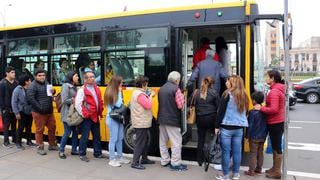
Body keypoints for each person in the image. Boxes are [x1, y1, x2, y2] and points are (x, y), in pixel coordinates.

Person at [215, 75, 249, 180]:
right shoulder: (244, 95)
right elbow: (246, 111)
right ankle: (235, 174)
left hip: (226, 127)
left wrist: (216, 126)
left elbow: (220, 112)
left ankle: (225, 175)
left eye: (227, 81)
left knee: (225, 151)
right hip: (239, 128)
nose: (226, 82)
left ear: (232, 83)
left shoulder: (227, 94)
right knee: (237, 151)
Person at [254, 70, 285, 179]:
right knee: (275, 146)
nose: (265, 78)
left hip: (275, 122)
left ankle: (277, 172)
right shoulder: (276, 89)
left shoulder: (274, 91)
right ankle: (274, 168)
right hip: (277, 121)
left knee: (276, 146)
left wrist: (261, 108)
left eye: (267, 77)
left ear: (272, 79)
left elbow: (274, 109)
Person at [157, 71, 187, 171]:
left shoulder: (161, 88)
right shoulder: (176, 89)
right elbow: (180, 106)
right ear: (176, 80)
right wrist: (183, 98)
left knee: (163, 141)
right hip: (172, 119)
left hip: (161, 119)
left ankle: (165, 160)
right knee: (176, 142)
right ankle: (175, 163)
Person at [75, 71, 106, 162]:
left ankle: (97, 153)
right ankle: (82, 154)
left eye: (93, 76)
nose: (92, 78)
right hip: (87, 117)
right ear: (85, 79)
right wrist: (84, 114)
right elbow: (78, 104)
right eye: (90, 77)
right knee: (85, 136)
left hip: (96, 115)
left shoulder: (97, 88)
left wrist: (101, 108)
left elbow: (99, 100)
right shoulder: (82, 90)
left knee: (97, 136)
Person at [27, 69, 59, 155]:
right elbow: (30, 99)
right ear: (35, 76)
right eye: (40, 76)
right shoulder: (33, 86)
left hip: (49, 111)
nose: (42, 77)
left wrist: (54, 91)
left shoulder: (46, 83)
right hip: (39, 112)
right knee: (39, 130)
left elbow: (49, 94)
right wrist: (40, 108)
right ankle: (40, 147)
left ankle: (52, 144)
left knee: (52, 127)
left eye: (43, 75)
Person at [193, 76, 220, 166]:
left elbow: (191, 102)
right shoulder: (214, 93)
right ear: (212, 84)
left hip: (200, 118)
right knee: (214, 138)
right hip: (211, 118)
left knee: (201, 139)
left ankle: (200, 160)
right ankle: (211, 158)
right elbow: (218, 106)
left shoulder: (196, 92)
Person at [104, 75, 130, 167]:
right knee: (113, 139)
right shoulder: (112, 92)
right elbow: (118, 104)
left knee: (120, 138)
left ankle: (120, 157)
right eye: (121, 82)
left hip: (118, 118)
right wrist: (119, 92)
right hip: (112, 118)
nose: (122, 84)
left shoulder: (114, 91)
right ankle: (111, 159)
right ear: (117, 83)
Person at [130, 75, 155, 170]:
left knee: (144, 141)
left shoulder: (137, 92)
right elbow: (148, 105)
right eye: (146, 83)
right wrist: (151, 96)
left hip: (141, 121)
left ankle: (144, 158)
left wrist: (148, 94)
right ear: (144, 84)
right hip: (141, 122)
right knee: (140, 142)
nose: (147, 85)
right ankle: (135, 162)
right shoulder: (140, 94)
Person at [244, 91, 268, 176]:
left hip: (254, 136)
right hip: (263, 135)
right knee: (260, 152)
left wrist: (247, 136)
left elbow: (249, 125)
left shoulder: (252, 112)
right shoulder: (264, 110)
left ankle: (251, 171)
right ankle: (259, 169)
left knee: (253, 153)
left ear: (253, 100)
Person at [11, 74, 36, 150]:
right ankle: (18, 143)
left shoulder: (30, 89)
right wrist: (16, 112)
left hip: (30, 111)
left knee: (29, 127)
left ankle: (29, 141)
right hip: (21, 111)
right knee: (20, 128)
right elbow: (14, 102)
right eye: (29, 80)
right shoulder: (18, 89)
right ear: (26, 82)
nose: (30, 81)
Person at [59, 71, 79, 159]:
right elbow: (64, 100)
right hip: (67, 113)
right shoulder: (65, 86)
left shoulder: (75, 87)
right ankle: (61, 151)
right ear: (71, 77)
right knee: (67, 132)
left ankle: (74, 149)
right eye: (76, 76)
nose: (78, 77)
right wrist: (75, 100)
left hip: (74, 114)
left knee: (75, 132)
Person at [0, 67, 18, 148]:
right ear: (7, 73)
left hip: (14, 108)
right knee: (6, 126)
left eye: (14, 72)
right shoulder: (2, 83)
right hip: (6, 108)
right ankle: (6, 142)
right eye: (12, 72)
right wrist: (2, 108)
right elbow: (1, 97)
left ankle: (14, 140)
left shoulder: (16, 82)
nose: (14, 74)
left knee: (14, 124)